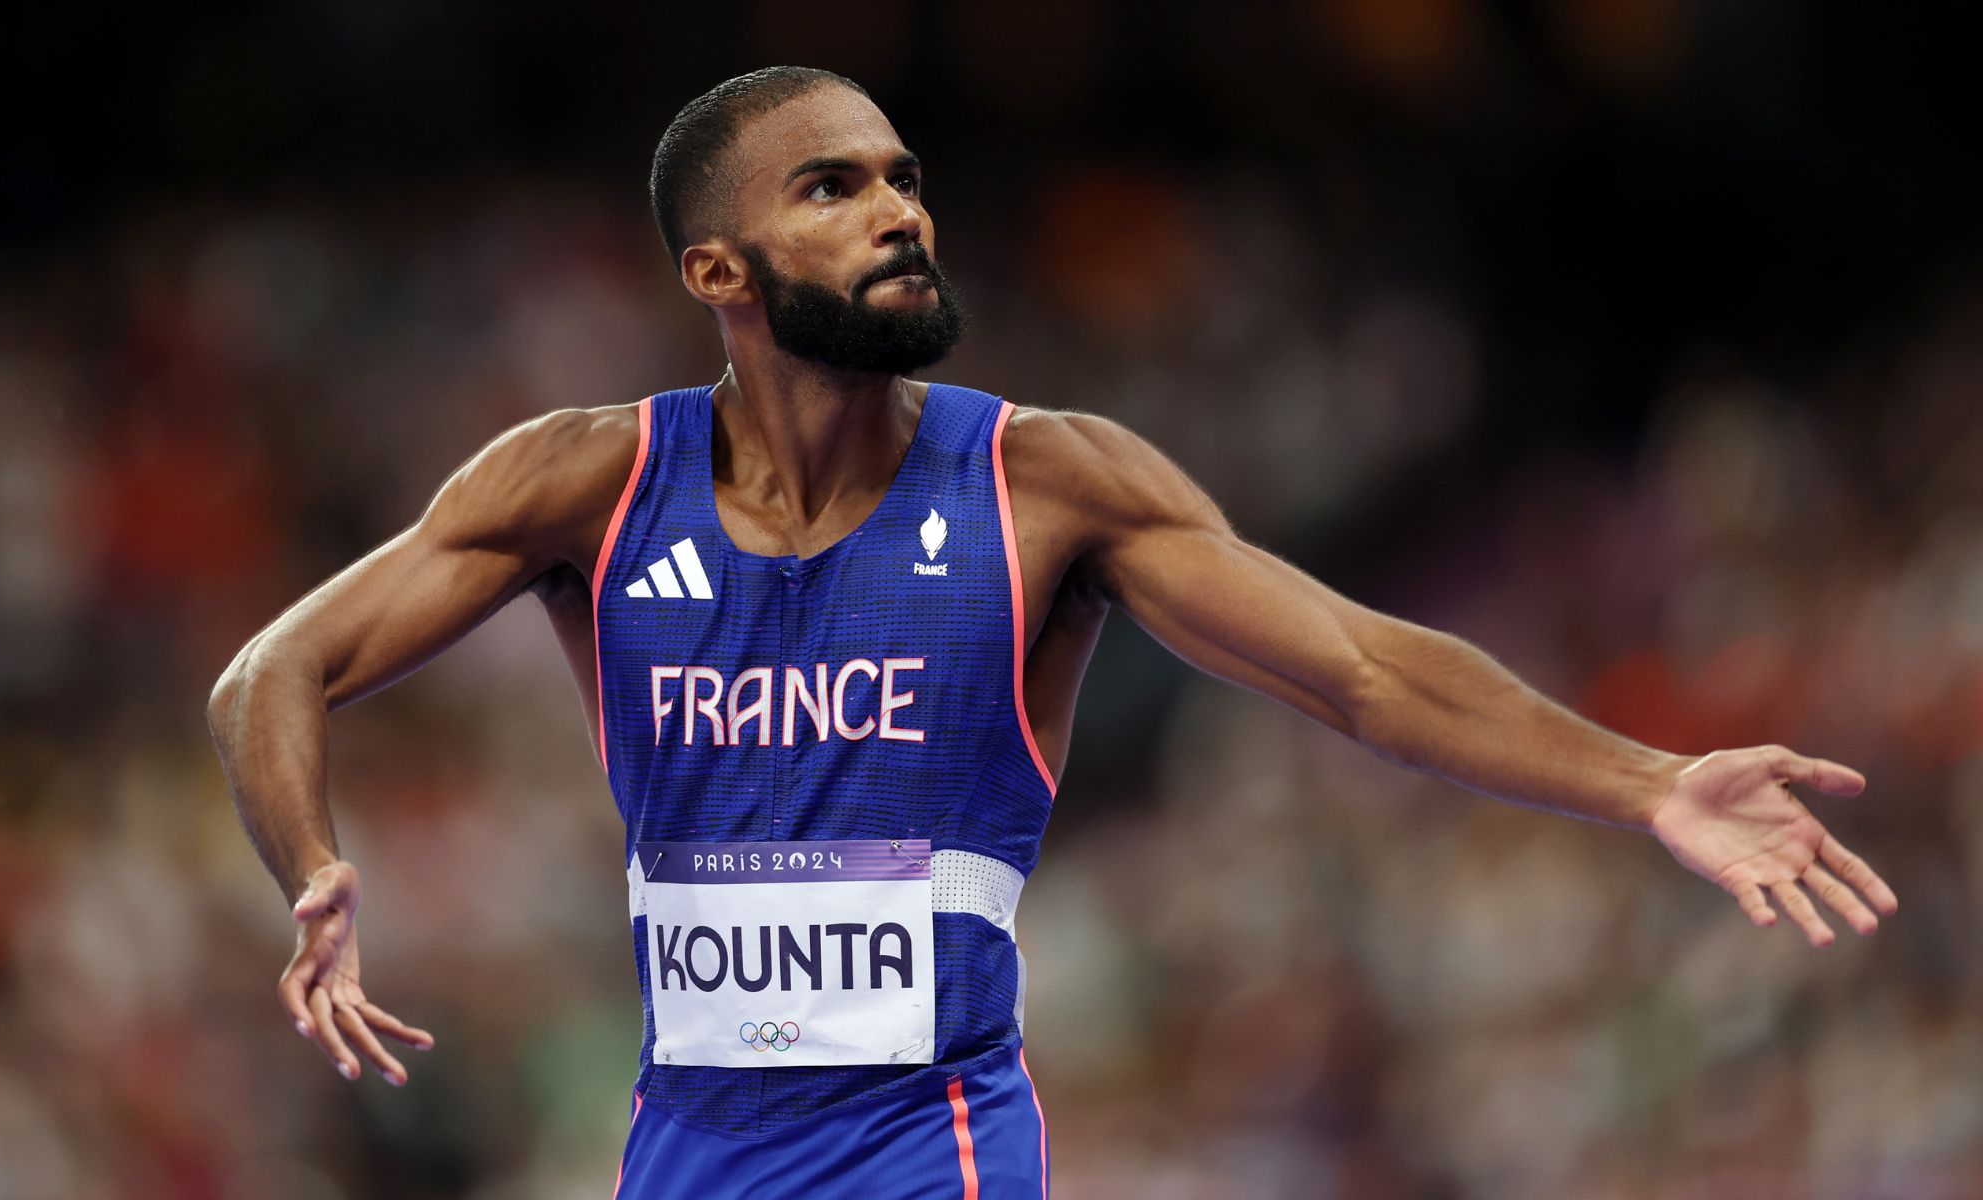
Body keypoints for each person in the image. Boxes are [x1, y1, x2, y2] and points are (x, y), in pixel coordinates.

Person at [206, 66, 1899, 1199]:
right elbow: (269, 670)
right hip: (686, 1153)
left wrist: (1648, 783)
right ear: (720, 270)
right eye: (833, 187)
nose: (899, 211)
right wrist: (311, 868)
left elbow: (1367, 671)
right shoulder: (582, 483)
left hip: (925, 1147)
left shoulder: (1049, 485)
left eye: (903, 179)